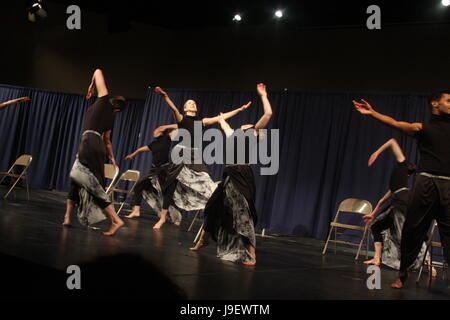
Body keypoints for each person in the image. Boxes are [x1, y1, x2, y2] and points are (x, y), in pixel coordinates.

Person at [353, 91, 450, 288]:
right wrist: (373, 113)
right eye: (448, 100)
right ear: (435, 104)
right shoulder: (424, 128)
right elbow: (396, 124)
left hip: (448, 185)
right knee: (412, 231)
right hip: (426, 184)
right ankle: (403, 274)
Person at [189, 83, 273, 266]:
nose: (247, 123)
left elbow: (268, 115)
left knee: (242, 211)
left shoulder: (252, 133)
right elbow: (222, 122)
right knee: (212, 206)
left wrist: (263, 95)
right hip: (228, 174)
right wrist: (225, 115)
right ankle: (203, 240)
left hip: (241, 174)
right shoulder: (233, 135)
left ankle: (251, 252)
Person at [151, 86, 252, 229]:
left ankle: (216, 201)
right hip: (180, 153)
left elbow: (220, 118)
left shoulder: (201, 121)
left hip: (194, 154)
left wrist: (239, 110)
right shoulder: (181, 119)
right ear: (185, 108)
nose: (192, 104)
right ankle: (162, 218)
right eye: (189, 103)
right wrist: (164, 96)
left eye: (194, 103)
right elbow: (173, 109)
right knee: (170, 186)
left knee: (205, 179)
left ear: (196, 108)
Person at [62, 69, 127, 236]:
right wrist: (111, 157)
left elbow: (97, 70)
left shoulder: (103, 100)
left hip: (88, 143)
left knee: (85, 179)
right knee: (78, 179)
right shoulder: (111, 118)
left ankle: (115, 219)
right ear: (118, 110)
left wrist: (91, 85)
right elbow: (107, 142)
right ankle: (68, 217)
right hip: (95, 145)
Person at [363, 139, 435, 275]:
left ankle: (429, 264)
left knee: (409, 234)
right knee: (376, 226)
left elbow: (392, 142)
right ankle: (377, 258)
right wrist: (373, 214)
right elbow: (382, 200)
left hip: (404, 203)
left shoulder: (402, 166)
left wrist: (376, 153)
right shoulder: (397, 185)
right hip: (398, 203)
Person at [124, 125, 183, 225]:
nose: (154, 131)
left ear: (162, 131)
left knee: (166, 194)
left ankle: (176, 218)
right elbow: (141, 150)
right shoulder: (153, 144)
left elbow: (181, 125)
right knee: (138, 186)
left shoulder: (167, 138)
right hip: (154, 170)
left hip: (165, 170)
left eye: (157, 129)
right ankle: (136, 210)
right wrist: (132, 155)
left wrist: (165, 126)